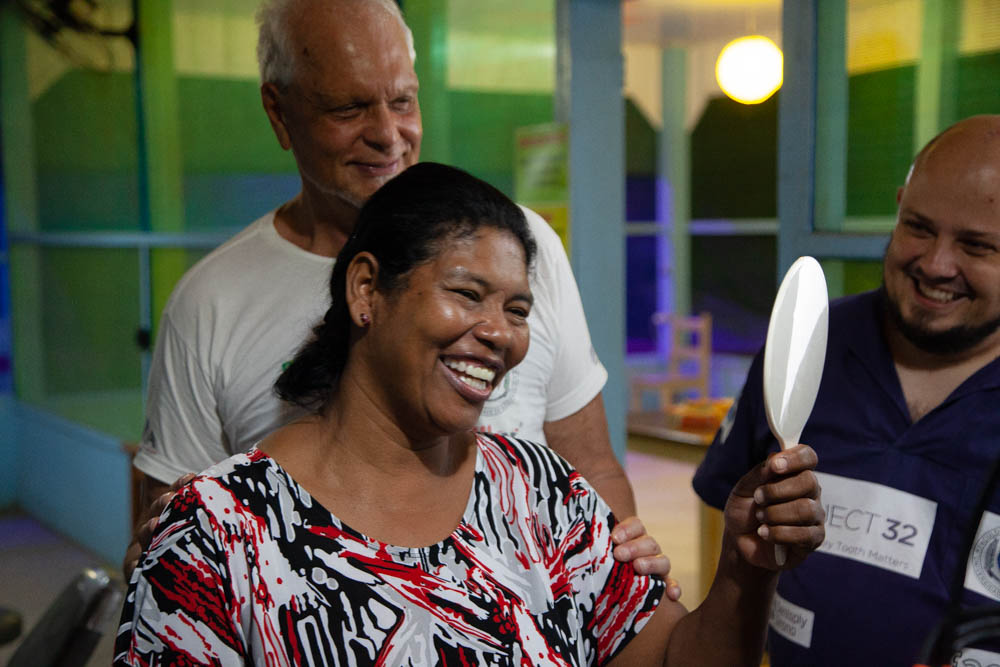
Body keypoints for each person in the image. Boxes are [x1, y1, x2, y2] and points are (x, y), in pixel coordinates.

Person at [115, 162, 824, 666]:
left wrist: (744, 571)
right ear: (367, 290)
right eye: (466, 293)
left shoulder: (541, 494)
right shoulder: (216, 533)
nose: (498, 333)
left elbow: (671, 658)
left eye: (517, 309)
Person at [128, 0, 655, 577]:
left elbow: (593, 469)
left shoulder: (519, 248)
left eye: (403, 101)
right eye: (349, 108)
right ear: (279, 111)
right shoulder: (211, 303)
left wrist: (626, 598)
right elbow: (166, 539)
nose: (387, 134)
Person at [693, 114, 1000, 666]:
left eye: (976, 246)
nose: (936, 264)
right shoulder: (809, 344)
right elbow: (734, 539)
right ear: (899, 207)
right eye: (918, 227)